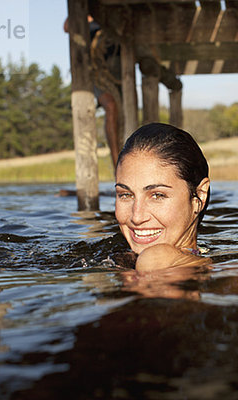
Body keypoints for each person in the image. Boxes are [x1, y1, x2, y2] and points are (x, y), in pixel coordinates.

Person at [114, 123, 211, 272]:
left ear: (200, 195)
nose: (137, 217)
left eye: (157, 195)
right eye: (126, 195)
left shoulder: (154, 258)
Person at [64, 16, 122, 168]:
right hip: (97, 73)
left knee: (122, 117)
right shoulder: (86, 14)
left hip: (118, 71)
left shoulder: (113, 14)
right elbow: (67, 26)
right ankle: (118, 165)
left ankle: (125, 164)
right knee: (110, 106)